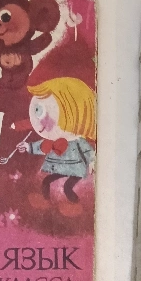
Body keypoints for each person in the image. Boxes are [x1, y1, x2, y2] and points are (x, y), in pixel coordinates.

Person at [17, 77, 96, 208]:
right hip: (61, 167)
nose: (42, 121)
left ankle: (75, 204)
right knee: (46, 181)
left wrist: (92, 161)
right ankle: (45, 201)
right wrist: (27, 146)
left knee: (67, 187)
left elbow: (88, 150)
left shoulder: (77, 140)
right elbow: (43, 146)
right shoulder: (53, 140)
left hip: (76, 168)